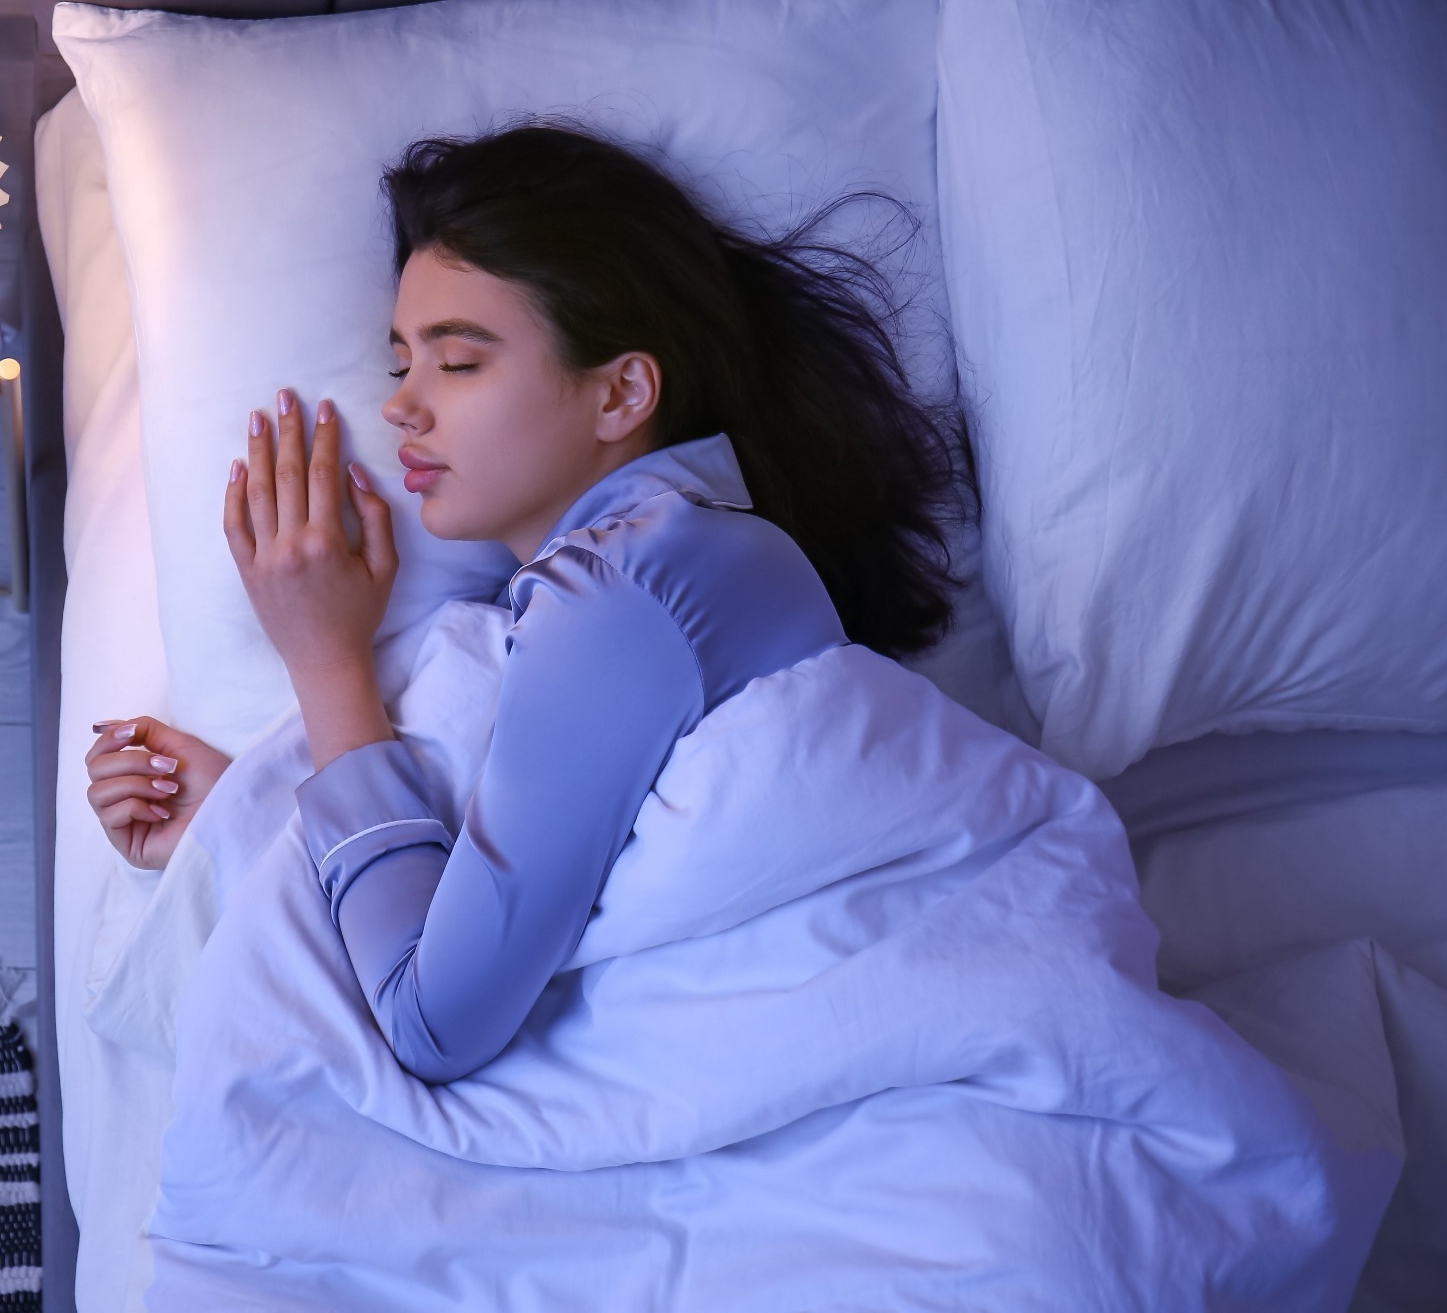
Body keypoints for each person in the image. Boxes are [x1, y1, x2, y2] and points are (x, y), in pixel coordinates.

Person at [84, 118, 974, 1084]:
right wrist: (242, 819)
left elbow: (432, 1022)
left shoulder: (628, 583)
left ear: (621, 393)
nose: (402, 406)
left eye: (458, 362)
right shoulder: (673, 564)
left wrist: (328, 660)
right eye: (401, 363)